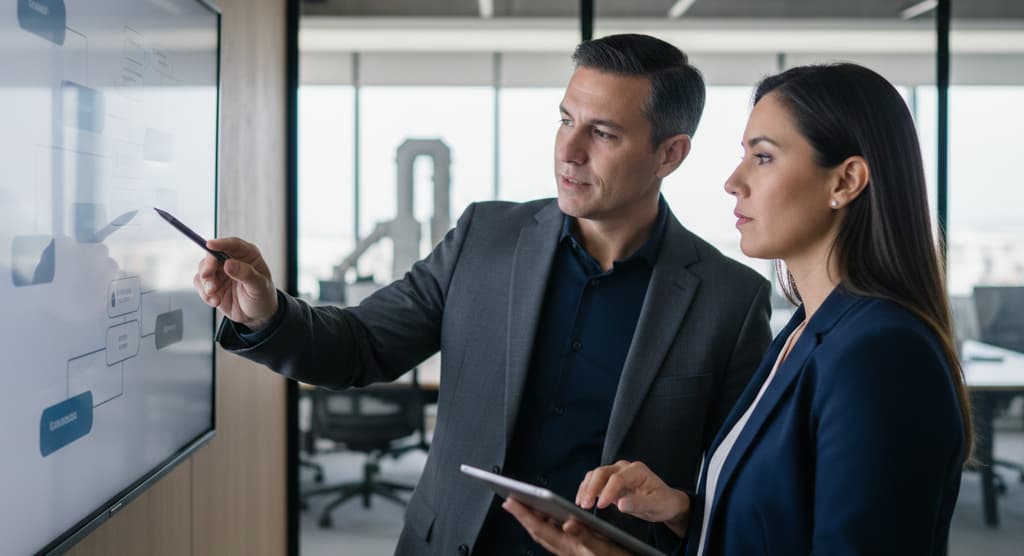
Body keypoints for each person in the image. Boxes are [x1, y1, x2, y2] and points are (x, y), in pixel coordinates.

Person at [193, 34, 772, 555]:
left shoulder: (730, 298)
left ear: (670, 154)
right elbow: (362, 345)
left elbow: (740, 491)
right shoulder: (484, 237)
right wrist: (266, 312)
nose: (568, 152)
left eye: (602, 133)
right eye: (565, 120)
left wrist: (677, 509)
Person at [503, 62, 973, 556]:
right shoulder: (805, 329)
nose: (733, 181)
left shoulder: (881, 355)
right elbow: (783, 526)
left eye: (763, 157)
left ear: (845, 182)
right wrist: (687, 513)